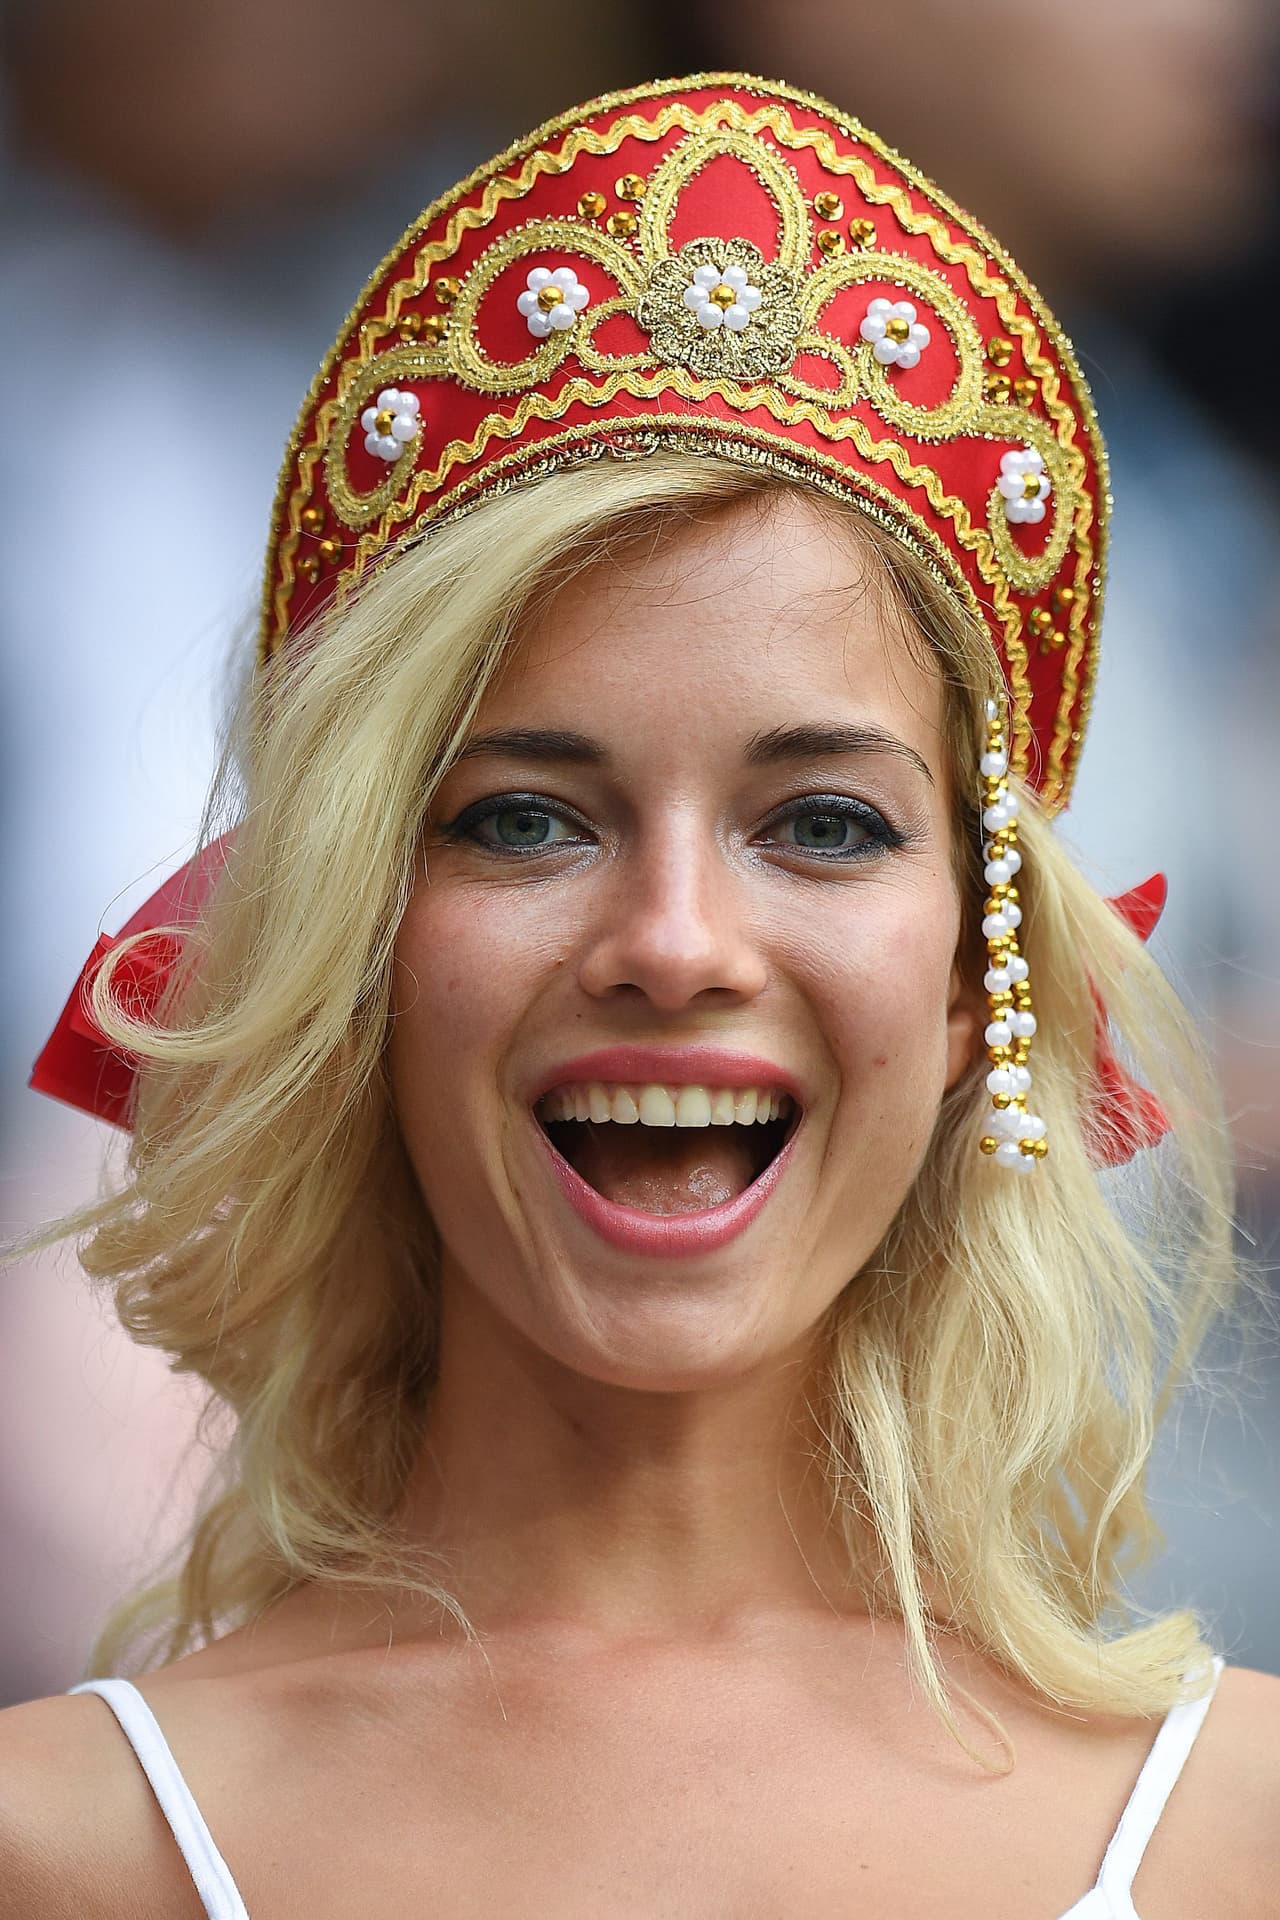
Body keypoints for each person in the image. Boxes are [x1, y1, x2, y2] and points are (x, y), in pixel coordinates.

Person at [3, 74, 1277, 1919]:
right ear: (358, 957)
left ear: (978, 985)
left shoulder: (1240, 1836)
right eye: (527, 819)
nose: (676, 942)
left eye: (822, 825)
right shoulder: (62, 1850)